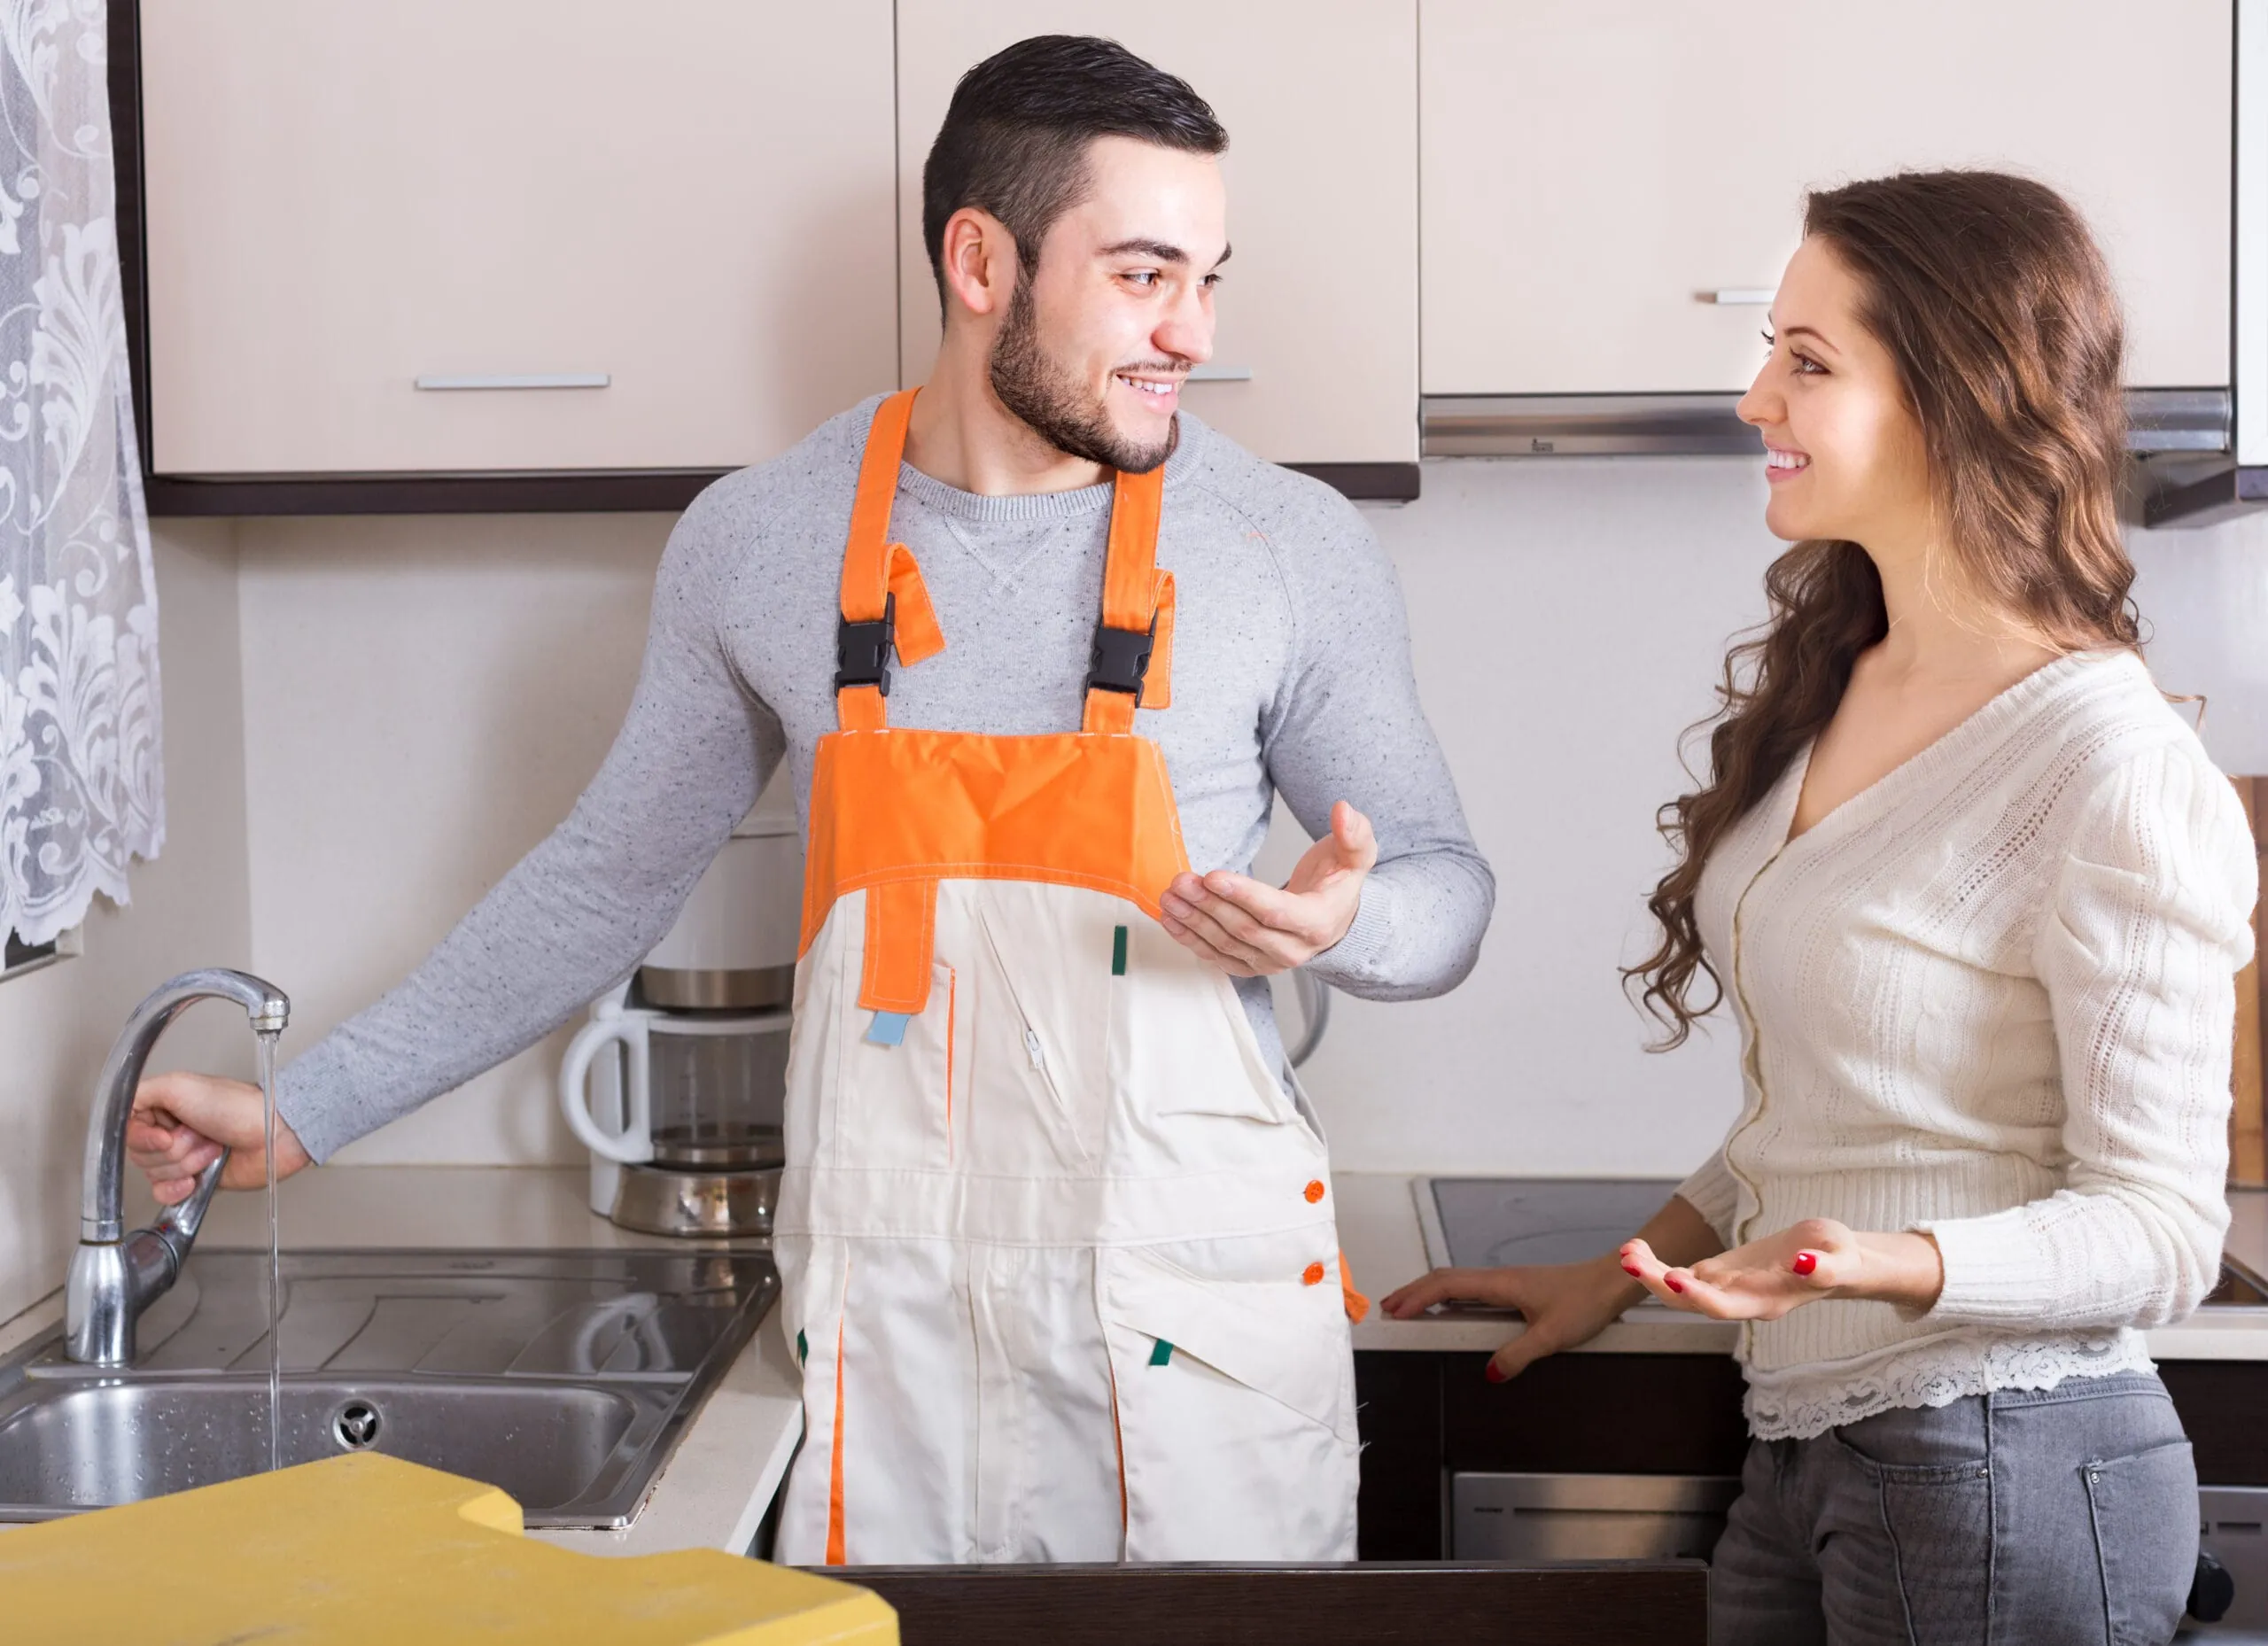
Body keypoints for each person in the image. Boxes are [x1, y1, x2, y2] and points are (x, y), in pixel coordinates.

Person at [127, 37, 1492, 1564]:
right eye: (1145, 275)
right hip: (896, 1337)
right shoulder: (760, 543)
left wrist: (1343, 917)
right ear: (983, 260)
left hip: (1198, 1348)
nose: (1193, 331)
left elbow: (1446, 891)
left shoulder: (1283, 546)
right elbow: (602, 882)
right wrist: (302, 1111)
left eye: (1209, 279)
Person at [1384, 170, 2256, 1642]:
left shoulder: (2110, 762)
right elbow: (1843, 1101)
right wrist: (1623, 1266)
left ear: (1954, 392)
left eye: (1807, 361)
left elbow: (2164, 1229)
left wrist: (1889, 1260)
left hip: (2008, 1460)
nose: (1753, 399)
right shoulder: (1846, 676)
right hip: (1809, 1446)